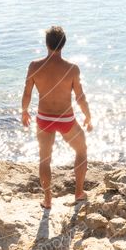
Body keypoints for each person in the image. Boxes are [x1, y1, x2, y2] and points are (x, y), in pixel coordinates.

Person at [21, 25, 92, 210]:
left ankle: (47, 200)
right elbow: (80, 97)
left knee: (45, 159)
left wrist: (24, 111)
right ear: (63, 45)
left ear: (47, 44)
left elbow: (27, 93)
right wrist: (88, 116)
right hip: (66, 119)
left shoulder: (34, 66)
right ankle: (78, 193)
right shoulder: (72, 69)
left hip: (44, 118)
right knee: (82, 151)